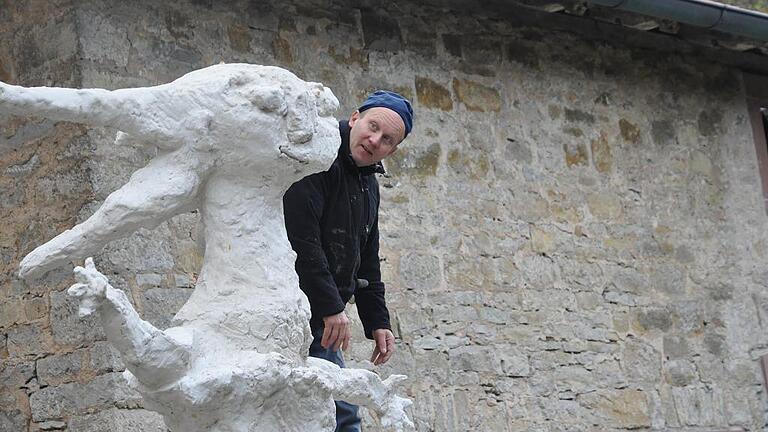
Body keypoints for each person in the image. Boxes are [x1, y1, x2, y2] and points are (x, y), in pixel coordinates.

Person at [283, 90, 414, 431]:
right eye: (372, 127)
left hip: (322, 322)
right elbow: (301, 239)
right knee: (337, 417)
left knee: (340, 415)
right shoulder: (318, 159)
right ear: (355, 117)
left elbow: (366, 259)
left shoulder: (368, 183)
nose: (374, 141)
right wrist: (331, 307)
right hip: (290, 313)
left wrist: (378, 322)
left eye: (387, 140)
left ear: (393, 150)